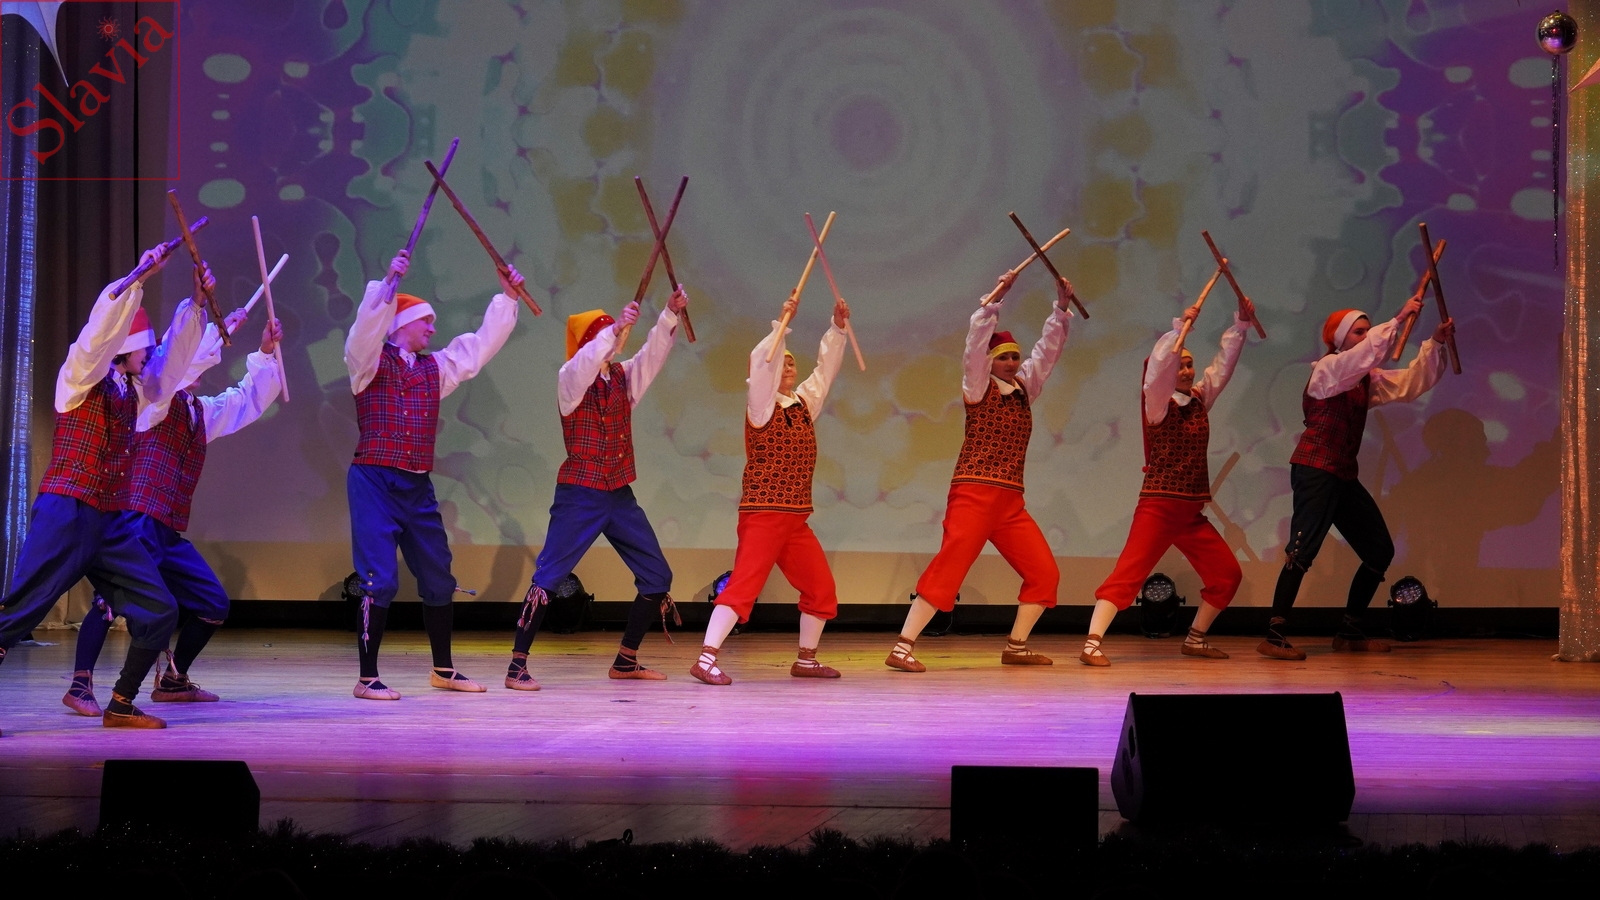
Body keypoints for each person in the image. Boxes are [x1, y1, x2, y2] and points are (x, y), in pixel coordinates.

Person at [0, 247, 207, 730]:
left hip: (109, 520)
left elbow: (169, 370)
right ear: (123, 345)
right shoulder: (80, 377)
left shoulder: (132, 393)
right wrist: (136, 280)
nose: (150, 354)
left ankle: (120, 702)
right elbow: (96, 337)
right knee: (21, 609)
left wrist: (195, 306)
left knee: (159, 608)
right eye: (143, 346)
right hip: (68, 511)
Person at [63, 308, 283, 715]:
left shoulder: (198, 411)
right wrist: (212, 335)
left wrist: (265, 354)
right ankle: (80, 684)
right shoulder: (151, 403)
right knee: (110, 601)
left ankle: (172, 679)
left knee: (212, 603)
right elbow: (173, 372)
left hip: (166, 530)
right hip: (137, 521)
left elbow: (245, 402)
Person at [345, 249, 524, 699]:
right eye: (426, 321)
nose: (432, 328)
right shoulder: (368, 362)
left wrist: (506, 298)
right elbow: (363, 332)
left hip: (416, 483)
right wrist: (388, 285)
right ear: (401, 324)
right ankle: (367, 678)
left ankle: (444, 669)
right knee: (379, 580)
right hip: (375, 481)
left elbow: (478, 348)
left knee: (439, 577)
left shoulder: (433, 369)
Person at [885, 270, 1075, 672]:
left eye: (1014, 357)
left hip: (1010, 503)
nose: (1011, 363)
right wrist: (993, 303)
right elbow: (973, 348)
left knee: (1044, 573)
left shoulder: (1023, 390)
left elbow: (1046, 356)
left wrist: (1060, 311)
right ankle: (902, 646)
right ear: (989, 362)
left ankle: (1016, 646)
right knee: (949, 568)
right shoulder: (978, 387)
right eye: (1002, 357)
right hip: (974, 494)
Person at [506, 287, 689, 689]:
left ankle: (626, 660)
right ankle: (517, 665)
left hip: (618, 494)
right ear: (591, 340)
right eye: (606, 332)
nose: (617, 336)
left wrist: (669, 314)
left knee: (657, 575)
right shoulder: (570, 379)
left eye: (615, 331)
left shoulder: (621, 377)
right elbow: (585, 362)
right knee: (550, 576)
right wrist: (616, 327)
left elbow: (652, 356)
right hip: (580, 494)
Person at [1260, 294, 1454, 659]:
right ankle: (1274, 635)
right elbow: (1363, 358)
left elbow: (1410, 383)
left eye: (1368, 331)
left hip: (1342, 474)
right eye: (1358, 332)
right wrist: (1398, 319)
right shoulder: (1328, 369)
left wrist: (1436, 342)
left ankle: (1349, 631)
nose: (1365, 338)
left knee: (1379, 550)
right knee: (1302, 551)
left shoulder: (1364, 379)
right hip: (1316, 470)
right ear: (1339, 339)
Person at [1079, 300, 1255, 666]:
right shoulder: (1158, 406)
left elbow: (1222, 369)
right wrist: (1176, 332)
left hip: (1190, 513)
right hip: (1159, 508)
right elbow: (1156, 373)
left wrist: (1240, 325)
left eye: (1189, 364)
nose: (1187, 371)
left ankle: (1195, 639)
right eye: (1180, 365)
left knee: (1227, 574)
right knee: (1128, 574)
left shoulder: (1199, 400)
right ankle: (1091, 644)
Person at [691, 293, 850, 685]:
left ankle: (806, 660)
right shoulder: (761, 407)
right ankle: (706, 658)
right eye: (783, 361)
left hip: (795, 519)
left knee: (821, 588)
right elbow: (761, 366)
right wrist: (782, 323)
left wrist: (837, 329)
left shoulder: (802, 405)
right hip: (764, 514)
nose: (789, 366)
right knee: (744, 586)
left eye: (792, 361)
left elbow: (825, 373)